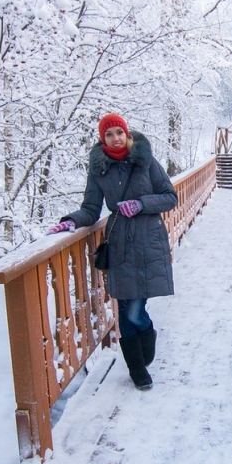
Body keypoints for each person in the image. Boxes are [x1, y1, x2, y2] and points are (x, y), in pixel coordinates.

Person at [47, 113, 178, 391]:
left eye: (119, 132)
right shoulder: (99, 170)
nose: (115, 138)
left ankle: (146, 340)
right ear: (102, 138)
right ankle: (137, 370)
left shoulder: (147, 162)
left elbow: (170, 197)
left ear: (127, 134)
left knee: (135, 310)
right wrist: (71, 221)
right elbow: (91, 208)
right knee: (124, 307)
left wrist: (141, 204)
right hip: (119, 245)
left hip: (148, 242)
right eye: (109, 134)